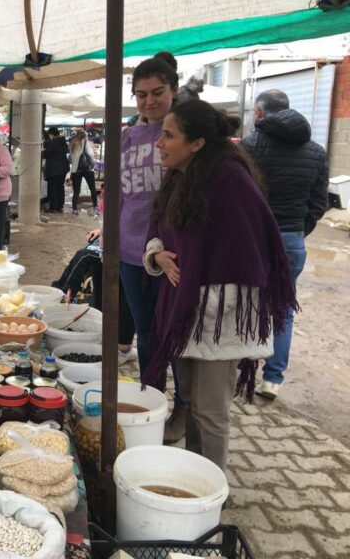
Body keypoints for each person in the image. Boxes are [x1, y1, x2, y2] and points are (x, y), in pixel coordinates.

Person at [142, 100, 296, 471]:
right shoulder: (180, 177)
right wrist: (158, 254)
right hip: (185, 309)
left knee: (211, 409)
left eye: (169, 135)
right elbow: (159, 229)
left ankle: (211, 487)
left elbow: (249, 253)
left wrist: (205, 303)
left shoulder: (229, 180)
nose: (158, 143)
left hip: (218, 315)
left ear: (197, 143)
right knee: (192, 397)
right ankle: (197, 471)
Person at [117, 53, 188, 443]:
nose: (149, 101)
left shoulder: (185, 133)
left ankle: (184, 408)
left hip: (174, 252)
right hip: (131, 250)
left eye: (157, 92)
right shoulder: (128, 136)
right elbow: (121, 195)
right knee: (147, 332)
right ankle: (152, 401)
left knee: (176, 332)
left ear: (173, 90)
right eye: (141, 94)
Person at [241, 89, 329, 400]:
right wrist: (296, 231)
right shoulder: (317, 151)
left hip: (254, 238)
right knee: (283, 310)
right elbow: (319, 202)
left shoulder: (250, 146)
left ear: (260, 113)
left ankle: (243, 367)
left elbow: (238, 195)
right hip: (292, 240)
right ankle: (273, 379)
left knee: (246, 302)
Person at [52, 229, 137, 364]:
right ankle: (62, 294)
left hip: (131, 251)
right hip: (113, 244)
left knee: (85, 257)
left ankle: (123, 348)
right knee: (102, 279)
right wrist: (102, 231)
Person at [69, 130, 98, 216]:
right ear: (85, 136)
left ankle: (74, 209)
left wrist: (75, 164)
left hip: (75, 170)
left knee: (76, 191)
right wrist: (92, 165)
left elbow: (70, 159)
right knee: (92, 188)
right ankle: (95, 206)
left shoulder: (72, 144)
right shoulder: (86, 143)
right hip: (87, 170)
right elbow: (90, 156)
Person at [42, 126, 69, 213]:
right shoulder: (63, 142)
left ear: (51, 134)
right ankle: (60, 206)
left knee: (52, 188)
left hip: (53, 169)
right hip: (63, 169)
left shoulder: (53, 142)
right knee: (60, 187)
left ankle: (53, 207)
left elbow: (46, 154)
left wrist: (42, 151)